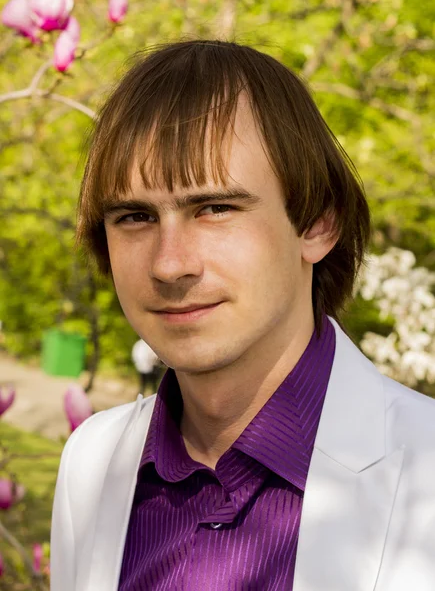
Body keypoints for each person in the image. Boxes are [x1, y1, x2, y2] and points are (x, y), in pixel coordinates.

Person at [50, 40, 435, 591]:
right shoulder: (92, 463)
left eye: (214, 208)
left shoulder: (427, 475)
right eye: (135, 216)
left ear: (318, 224)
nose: (169, 264)